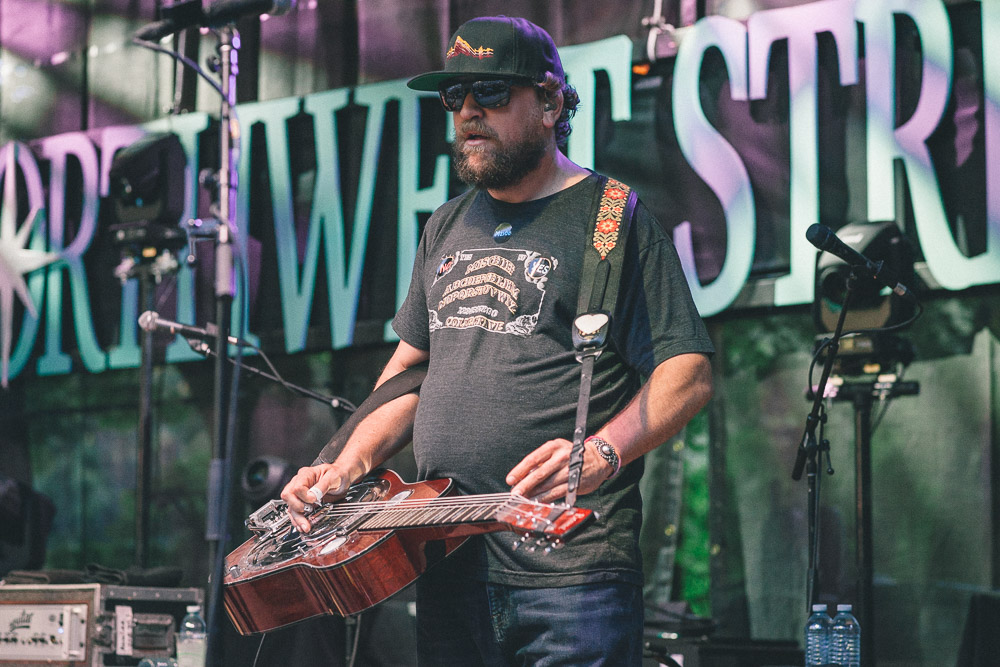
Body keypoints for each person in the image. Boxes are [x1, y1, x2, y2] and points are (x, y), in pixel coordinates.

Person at [281, 15, 714, 666]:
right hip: (448, 562)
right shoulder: (447, 225)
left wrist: (601, 451)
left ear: (548, 102)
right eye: (454, 96)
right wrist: (345, 464)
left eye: (489, 92)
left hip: (570, 579)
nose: (467, 112)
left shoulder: (611, 218)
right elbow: (408, 375)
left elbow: (688, 370)